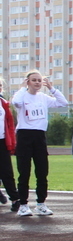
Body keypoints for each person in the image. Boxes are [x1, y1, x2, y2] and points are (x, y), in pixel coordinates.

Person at [12, 70, 68, 216]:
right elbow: (16, 102)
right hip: (24, 135)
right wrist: (23, 88)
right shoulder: (22, 95)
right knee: (24, 172)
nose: (37, 82)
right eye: (34, 80)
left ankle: (41, 204)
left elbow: (63, 103)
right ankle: (23, 205)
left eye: (39, 80)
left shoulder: (44, 97)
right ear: (28, 81)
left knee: (42, 171)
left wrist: (51, 88)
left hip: (39, 135)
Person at [0, 78, 20, 210]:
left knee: (7, 171)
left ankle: (15, 199)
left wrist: (12, 142)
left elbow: (9, 124)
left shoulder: (3, 103)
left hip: (1, 141)